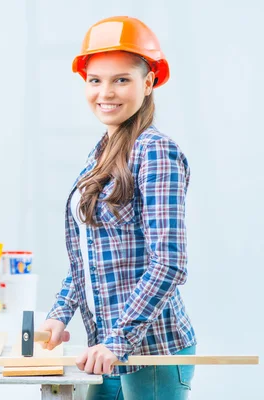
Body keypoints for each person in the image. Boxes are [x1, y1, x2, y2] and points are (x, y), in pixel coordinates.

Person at [40, 16, 198, 400]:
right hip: (103, 350)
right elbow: (89, 255)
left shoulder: (155, 151)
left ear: (148, 83)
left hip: (149, 353)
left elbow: (169, 262)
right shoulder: (102, 153)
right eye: (95, 80)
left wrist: (117, 341)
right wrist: (59, 315)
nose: (105, 92)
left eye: (121, 79)